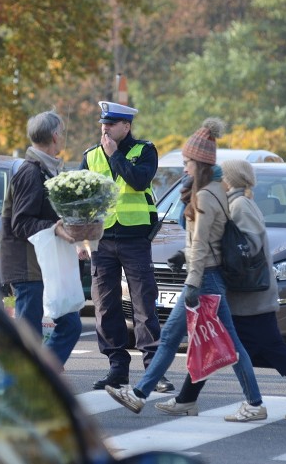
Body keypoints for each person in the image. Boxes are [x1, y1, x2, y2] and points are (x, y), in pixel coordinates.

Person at [105, 119, 267, 422]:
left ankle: (255, 403)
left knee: (220, 345)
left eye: (187, 162)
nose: (183, 168)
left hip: (204, 278)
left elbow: (204, 243)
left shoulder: (205, 195)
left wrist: (191, 282)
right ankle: (140, 394)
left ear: (200, 163)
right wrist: (183, 252)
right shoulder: (214, 188)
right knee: (185, 340)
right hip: (208, 275)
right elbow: (205, 238)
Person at [155, 159, 286, 421]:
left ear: (229, 179)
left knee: (226, 344)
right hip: (249, 296)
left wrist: (213, 260)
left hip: (250, 296)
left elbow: (248, 247)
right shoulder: (236, 202)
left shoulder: (239, 205)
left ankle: (193, 399)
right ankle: (187, 398)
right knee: (226, 343)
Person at [81, 101, 173, 393]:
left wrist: (115, 155)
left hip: (134, 239)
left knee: (144, 304)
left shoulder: (144, 150)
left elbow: (138, 180)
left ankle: (154, 372)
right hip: (102, 240)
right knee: (106, 306)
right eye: (103, 124)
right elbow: (80, 200)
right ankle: (117, 369)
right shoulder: (91, 156)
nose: (105, 129)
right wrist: (81, 240)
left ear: (126, 126)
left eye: (111, 124)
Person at [0, 110, 82, 366]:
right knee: (30, 339)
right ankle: (24, 392)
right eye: (63, 132)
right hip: (28, 268)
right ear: (55, 136)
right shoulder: (30, 172)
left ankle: (43, 382)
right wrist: (55, 228)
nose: (64, 137)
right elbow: (21, 222)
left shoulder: (47, 170)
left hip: (45, 265)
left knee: (70, 325)